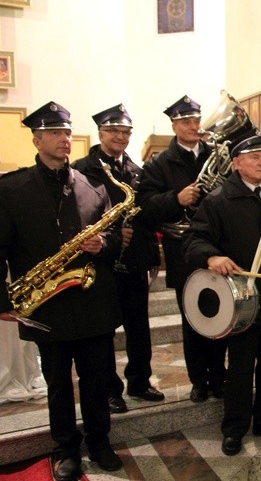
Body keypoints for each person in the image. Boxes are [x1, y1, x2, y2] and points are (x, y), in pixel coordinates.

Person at [0, 102, 123, 479]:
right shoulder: (11, 189)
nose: (64, 139)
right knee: (57, 384)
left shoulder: (93, 186)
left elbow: (117, 241)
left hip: (92, 301)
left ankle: (100, 441)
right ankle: (65, 447)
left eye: (68, 133)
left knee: (97, 378)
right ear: (37, 139)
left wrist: (105, 242)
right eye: (55, 133)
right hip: (47, 306)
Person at [184, 131, 261, 455]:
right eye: (254, 157)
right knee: (240, 367)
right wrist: (212, 256)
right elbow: (194, 240)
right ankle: (235, 427)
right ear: (237, 163)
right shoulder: (219, 200)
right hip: (241, 300)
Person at [72, 104, 164, 414]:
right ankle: (110, 389)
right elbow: (77, 216)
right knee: (104, 330)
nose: (120, 137)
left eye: (126, 132)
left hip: (134, 259)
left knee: (138, 326)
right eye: (114, 131)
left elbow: (148, 215)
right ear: (100, 133)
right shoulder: (81, 169)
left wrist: (148, 251)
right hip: (101, 261)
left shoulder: (136, 171)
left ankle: (140, 380)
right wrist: (111, 236)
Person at [137, 95, 227, 403]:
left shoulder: (216, 155)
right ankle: (198, 380)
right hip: (182, 251)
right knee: (193, 318)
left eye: (195, 120)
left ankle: (218, 375)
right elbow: (145, 208)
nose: (193, 126)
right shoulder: (159, 163)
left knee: (221, 312)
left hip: (216, 246)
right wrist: (176, 199)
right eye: (186, 121)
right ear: (174, 125)